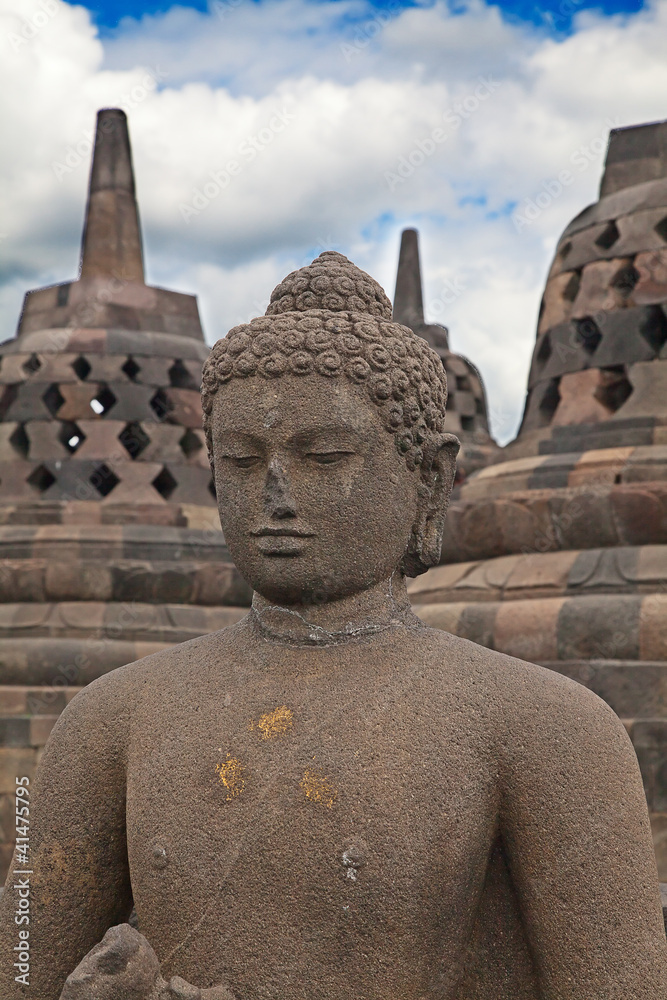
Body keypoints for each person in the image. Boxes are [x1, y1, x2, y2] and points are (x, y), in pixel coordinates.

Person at [1, 253, 665, 1000]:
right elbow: (21, 967)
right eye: (241, 461)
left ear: (429, 476)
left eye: (323, 457)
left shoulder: (547, 728)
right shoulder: (108, 719)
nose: (274, 496)